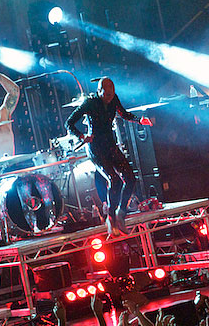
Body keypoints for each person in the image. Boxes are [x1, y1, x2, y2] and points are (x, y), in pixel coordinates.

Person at [0, 63, 55, 232]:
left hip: (14, 168)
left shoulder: (4, 115)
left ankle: (45, 219)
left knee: (36, 182)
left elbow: (14, 92)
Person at [65, 77, 152, 236]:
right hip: (96, 147)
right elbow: (69, 123)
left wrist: (139, 120)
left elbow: (124, 114)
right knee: (114, 179)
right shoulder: (90, 103)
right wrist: (82, 136)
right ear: (99, 91)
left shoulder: (113, 99)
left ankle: (121, 213)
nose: (109, 98)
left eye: (111, 95)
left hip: (110, 144)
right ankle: (111, 217)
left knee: (130, 178)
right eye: (106, 95)